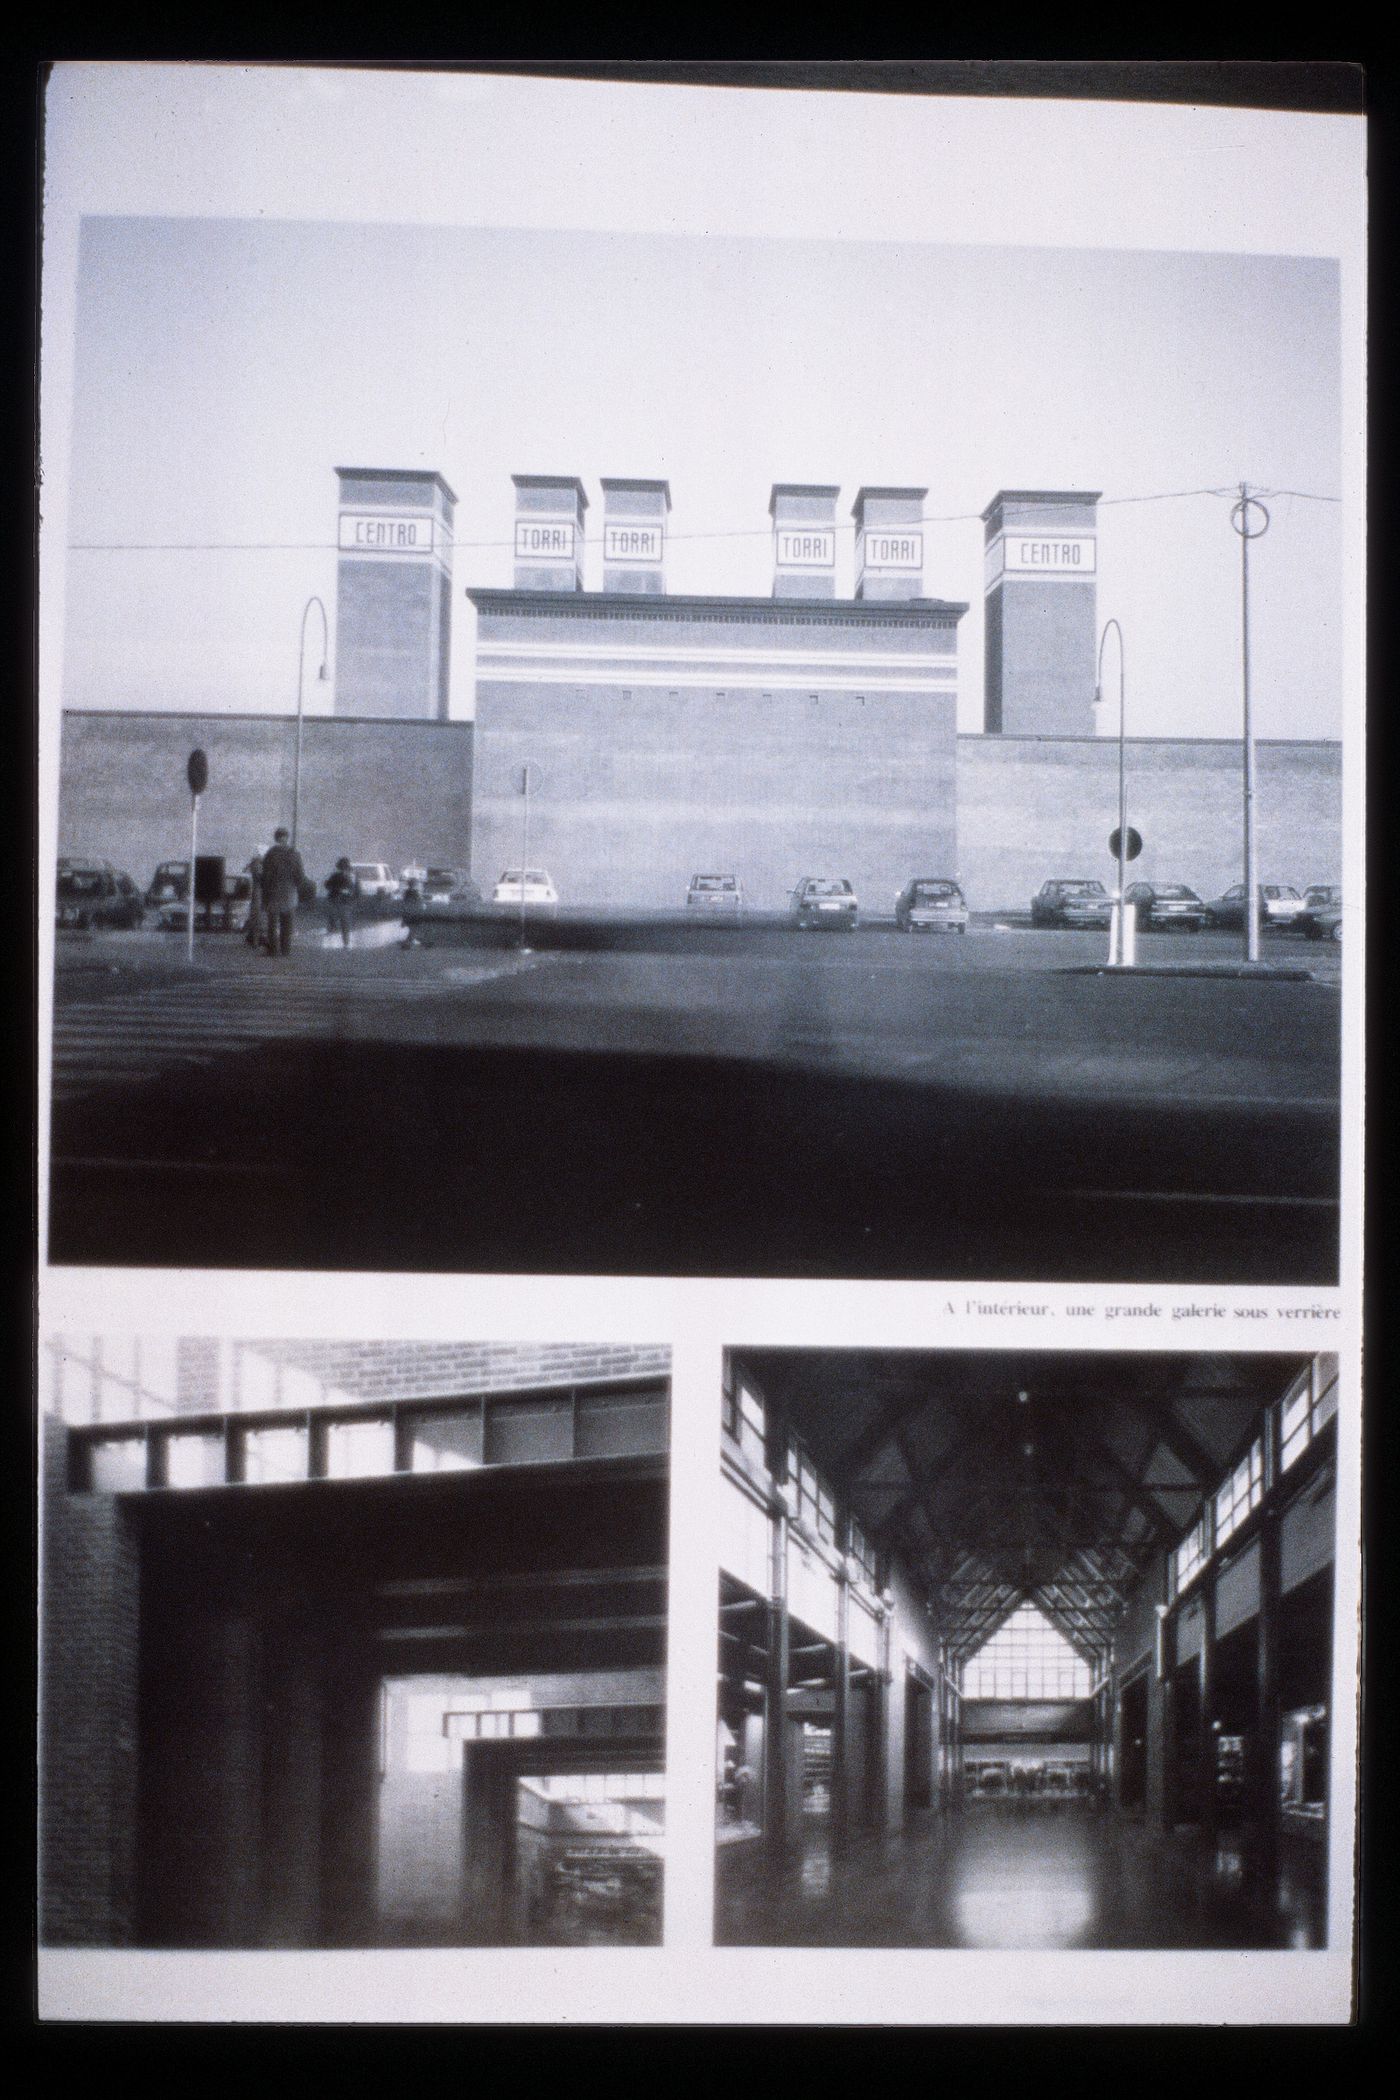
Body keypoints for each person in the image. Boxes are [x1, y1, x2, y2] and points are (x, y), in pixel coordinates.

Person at [259, 827, 306, 956]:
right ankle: (286, 950)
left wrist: (265, 891)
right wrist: (295, 886)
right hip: (289, 892)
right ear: (287, 837)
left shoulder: (270, 853)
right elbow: (300, 875)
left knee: (272, 924)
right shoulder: (294, 853)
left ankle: (273, 950)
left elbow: (266, 875)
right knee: (287, 924)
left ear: (276, 838)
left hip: (273, 892)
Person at [325, 856, 356, 948]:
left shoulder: (338, 876)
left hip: (339, 901)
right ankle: (345, 941)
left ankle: (344, 941)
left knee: (342, 920)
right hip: (342, 901)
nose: (344, 869)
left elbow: (327, 885)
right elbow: (328, 885)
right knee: (344, 921)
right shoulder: (349, 876)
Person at [244, 853, 266, 950]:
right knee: (257, 918)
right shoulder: (258, 866)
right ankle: (255, 941)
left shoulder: (254, 865)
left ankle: (253, 938)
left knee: (256, 917)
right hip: (259, 894)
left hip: (256, 894)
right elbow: (261, 878)